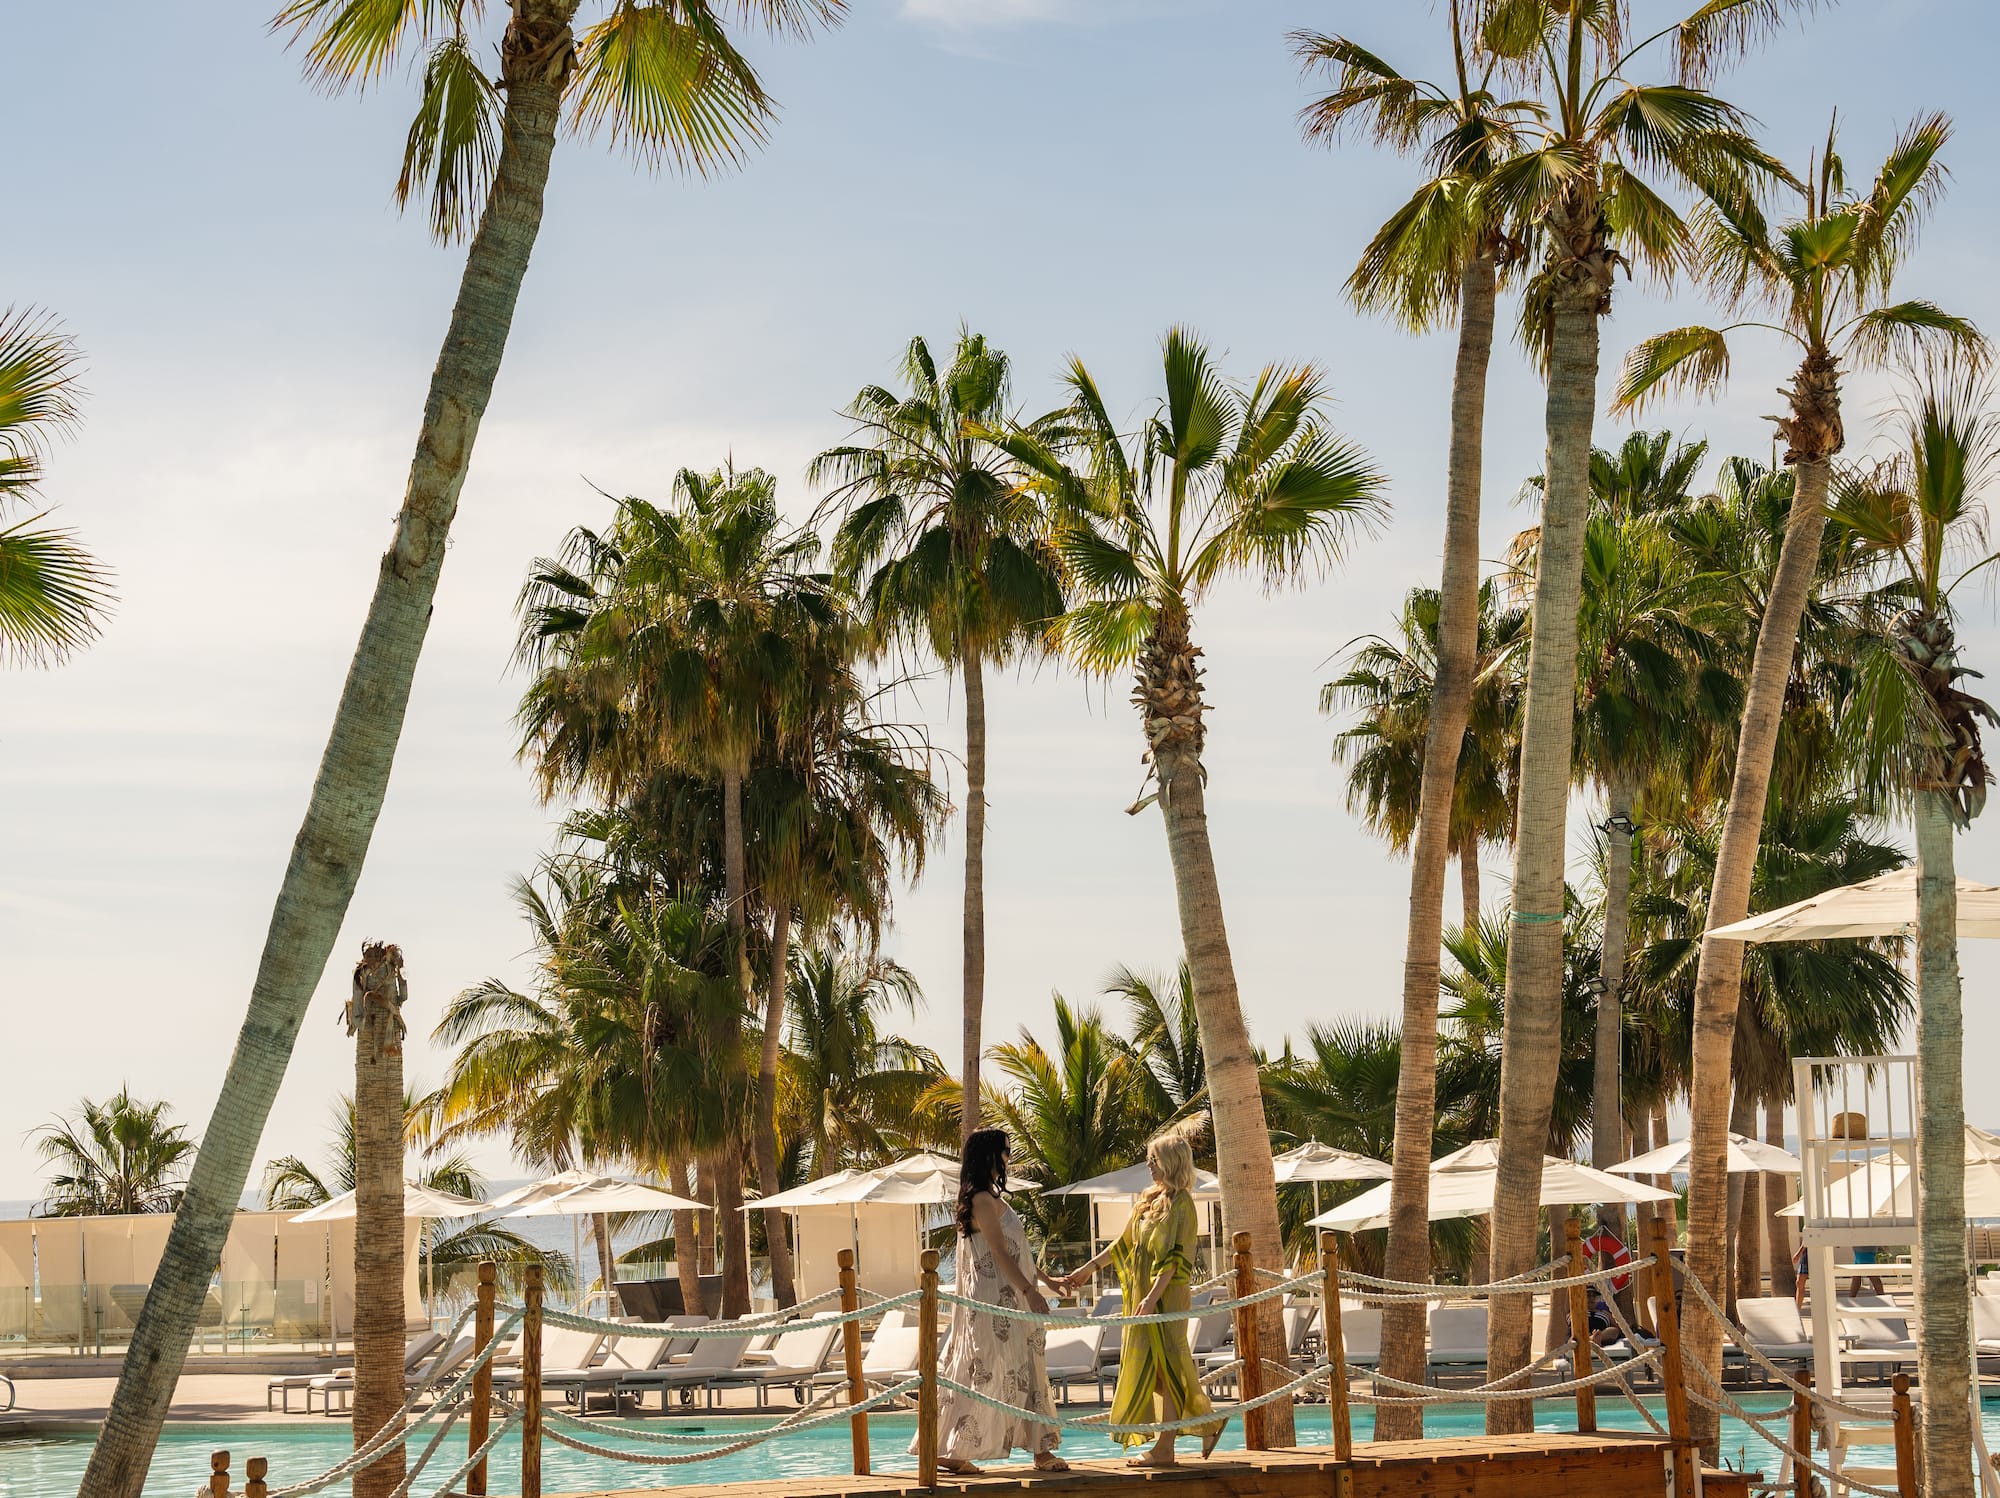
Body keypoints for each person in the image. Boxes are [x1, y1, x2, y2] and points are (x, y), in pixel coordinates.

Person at [1056, 1126, 1224, 1468]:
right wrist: (1087, 1269)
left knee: (1167, 1366)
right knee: (1154, 1371)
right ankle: (1205, 1420)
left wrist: (1152, 1298)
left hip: (1166, 1296)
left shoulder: (1184, 1204)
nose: (1149, 1165)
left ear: (1171, 1162)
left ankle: (1166, 1448)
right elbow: (1123, 1245)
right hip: (1142, 1295)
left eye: (1154, 1159)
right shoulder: (1147, 1200)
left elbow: (1178, 1259)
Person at [919, 1127, 1068, 1476]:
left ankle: (965, 1449)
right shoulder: (982, 1201)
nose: (1008, 1157)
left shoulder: (993, 1199)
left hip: (1012, 1298)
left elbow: (1019, 1253)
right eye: (1004, 1151)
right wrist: (1030, 1292)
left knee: (1022, 1367)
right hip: (996, 1302)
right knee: (985, 1371)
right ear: (988, 1155)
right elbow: (999, 1253)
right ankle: (1033, 1453)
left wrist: (1045, 1281)